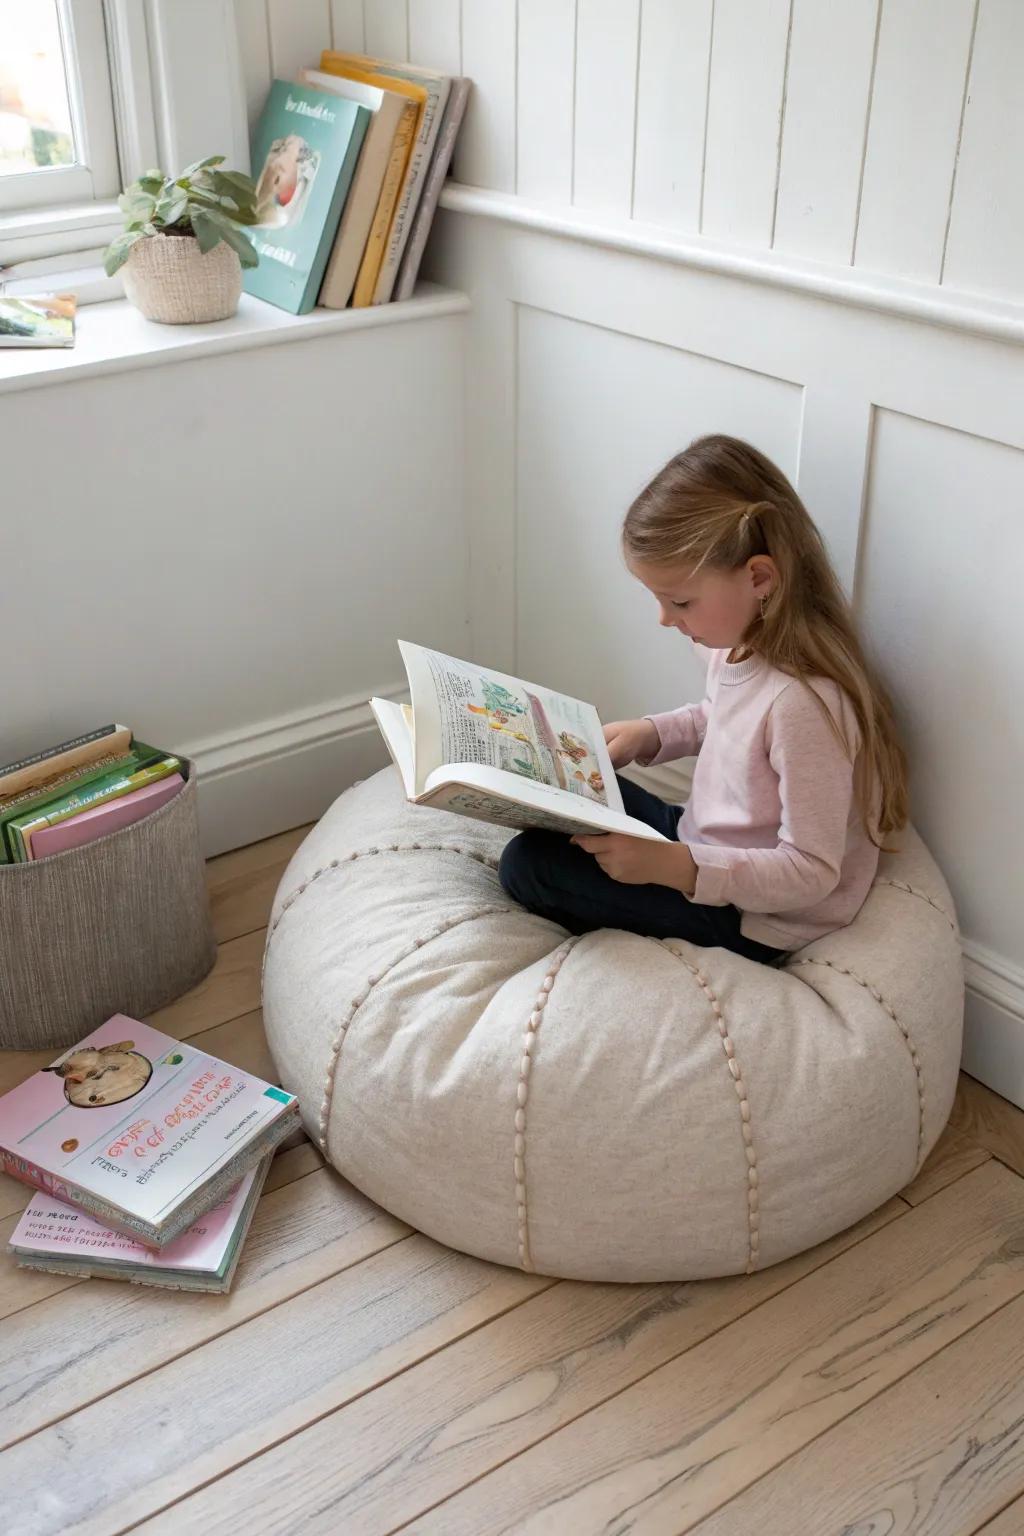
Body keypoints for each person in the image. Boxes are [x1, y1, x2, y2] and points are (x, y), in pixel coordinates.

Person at [498, 434, 908, 964]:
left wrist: (674, 868)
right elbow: (723, 719)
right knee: (564, 790)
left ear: (759, 577)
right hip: (702, 843)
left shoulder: (805, 705)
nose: (666, 620)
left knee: (528, 865)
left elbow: (811, 871)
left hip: (755, 914)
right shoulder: (735, 644)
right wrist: (653, 734)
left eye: (680, 602)